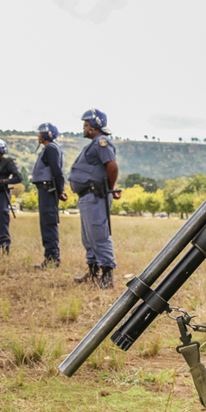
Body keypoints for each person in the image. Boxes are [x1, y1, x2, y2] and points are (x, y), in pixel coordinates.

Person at [68, 109, 121, 288]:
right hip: (87, 196)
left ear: (96, 125)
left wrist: (110, 189)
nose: (83, 128)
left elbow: (112, 167)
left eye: (86, 124)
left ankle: (107, 274)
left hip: (96, 195)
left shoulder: (102, 142)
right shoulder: (94, 144)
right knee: (88, 236)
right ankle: (93, 270)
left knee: (99, 234)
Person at [32, 123, 68, 269]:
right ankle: (50, 257)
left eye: (41, 133)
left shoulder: (51, 148)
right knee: (46, 223)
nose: (39, 136)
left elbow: (56, 170)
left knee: (49, 223)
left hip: (49, 189)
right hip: (45, 189)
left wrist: (60, 190)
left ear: (48, 134)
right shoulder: (47, 149)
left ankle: (52, 258)